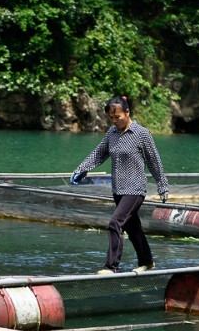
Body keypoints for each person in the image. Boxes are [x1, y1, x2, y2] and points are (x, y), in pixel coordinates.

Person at [71, 94, 169, 274]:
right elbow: (99, 154)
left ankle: (111, 266)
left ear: (127, 112)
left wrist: (162, 185)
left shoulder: (141, 134)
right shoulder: (112, 133)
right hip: (118, 189)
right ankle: (147, 261)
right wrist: (81, 169)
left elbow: (154, 161)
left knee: (115, 223)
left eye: (118, 117)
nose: (115, 121)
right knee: (133, 228)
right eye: (111, 118)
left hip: (135, 189)